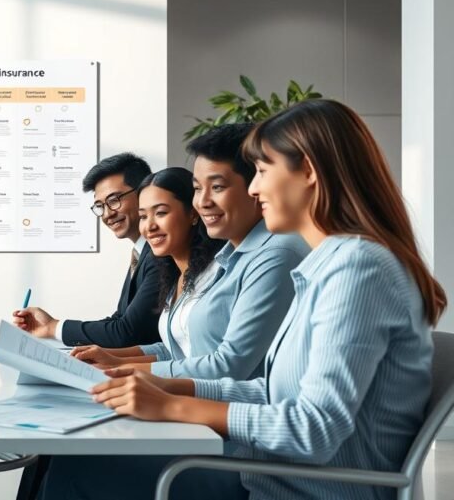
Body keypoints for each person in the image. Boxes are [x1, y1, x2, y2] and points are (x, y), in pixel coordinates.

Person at [41, 100, 446, 500]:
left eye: (263, 172)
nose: (254, 187)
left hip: (297, 487)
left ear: (307, 171)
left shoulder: (358, 269)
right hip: (270, 473)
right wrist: (160, 385)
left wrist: (174, 406)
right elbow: (270, 392)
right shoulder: (329, 265)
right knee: (74, 456)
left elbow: (314, 429)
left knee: (77, 464)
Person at [71, 124, 309, 380]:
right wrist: (114, 359)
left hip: (227, 407)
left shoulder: (275, 255)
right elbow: (181, 347)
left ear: (255, 185)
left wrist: (125, 370)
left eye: (217, 187)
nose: (204, 201)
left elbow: (228, 366)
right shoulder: (227, 257)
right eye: (197, 188)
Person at [12, 153, 162, 347]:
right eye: (99, 206)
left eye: (114, 200)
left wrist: (53, 327)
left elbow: (125, 332)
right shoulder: (141, 252)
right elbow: (120, 319)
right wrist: (50, 327)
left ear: (143, 193)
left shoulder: (160, 255)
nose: (107, 214)